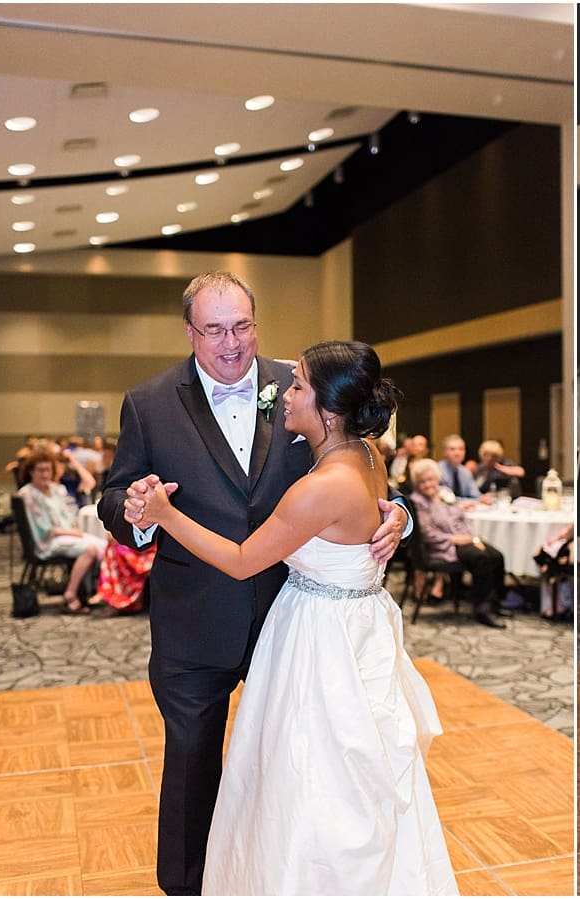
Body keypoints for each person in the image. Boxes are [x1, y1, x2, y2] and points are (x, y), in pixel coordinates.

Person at [97, 272, 410, 895]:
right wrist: (134, 514)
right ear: (190, 332)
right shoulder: (149, 402)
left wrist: (399, 512)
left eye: (241, 325)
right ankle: (188, 887)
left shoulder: (301, 386)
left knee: (290, 769)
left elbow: (360, 465)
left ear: (255, 322)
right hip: (195, 620)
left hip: (294, 622)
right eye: (214, 330)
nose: (231, 342)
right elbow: (114, 493)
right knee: (192, 765)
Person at [132, 340, 457, 894]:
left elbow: (240, 561)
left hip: (319, 646)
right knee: (350, 782)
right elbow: (378, 505)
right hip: (356, 631)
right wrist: (397, 514)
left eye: (300, 385)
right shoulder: (368, 456)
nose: (287, 391)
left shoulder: (321, 487)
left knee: (309, 781)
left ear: (329, 410)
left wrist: (165, 514)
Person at [410, 457, 508, 629]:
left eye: (430, 480)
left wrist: (473, 538)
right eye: (422, 482)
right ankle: (481, 609)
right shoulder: (418, 501)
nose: (428, 485)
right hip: (444, 546)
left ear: (437, 479)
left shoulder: (444, 493)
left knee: (497, 556)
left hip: (466, 539)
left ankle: (495, 603)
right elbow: (427, 534)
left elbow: (462, 519)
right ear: (417, 484)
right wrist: (456, 539)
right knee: (482, 559)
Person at [17, 451, 107, 614]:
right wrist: (72, 533)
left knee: (105, 545)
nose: (45, 474)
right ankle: (70, 594)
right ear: (31, 472)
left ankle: (98, 591)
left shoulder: (56, 489)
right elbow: (43, 529)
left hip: (66, 535)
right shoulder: (27, 494)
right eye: (40, 470)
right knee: (90, 550)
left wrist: (74, 531)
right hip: (46, 541)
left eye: (48, 470)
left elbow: (70, 514)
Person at [438, 434, 489, 504]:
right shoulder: (437, 471)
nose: (457, 453)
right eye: (452, 449)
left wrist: (483, 498)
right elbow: (446, 499)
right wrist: (468, 501)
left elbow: (475, 495)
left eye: (461, 449)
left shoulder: (465, 472)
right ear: (445, 452)